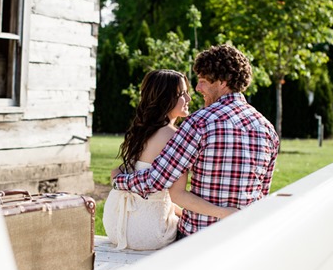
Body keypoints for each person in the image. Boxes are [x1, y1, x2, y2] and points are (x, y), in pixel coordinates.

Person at [112, 44, 280, 239]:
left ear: (223, 82)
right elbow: (262, 194)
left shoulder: (199, 122)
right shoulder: (267, 129)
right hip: (245, 236)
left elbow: (156, 179)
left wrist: (119, 180)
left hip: (198, 239)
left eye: (202, 81)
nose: (198, 89)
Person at [103, 69, 238, 251]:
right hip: (148, 232)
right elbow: (177, 195)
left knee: (185, 218)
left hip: (115, 224)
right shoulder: (173, 135)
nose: (189, 99)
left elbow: (138, 184)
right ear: (164, 98)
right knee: (200, 233)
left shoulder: (142, 131)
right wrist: (223, 213)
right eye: (182, 94)